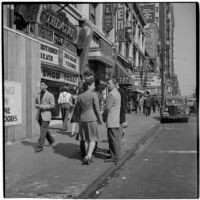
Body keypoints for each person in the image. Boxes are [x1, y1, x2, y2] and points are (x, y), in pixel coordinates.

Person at [76, 79, 103, 165]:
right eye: (93, 85)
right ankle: (88, 156)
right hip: (91, 118)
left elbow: (78, 109)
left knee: (86, 139)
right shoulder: (94, 94)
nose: (94, 87)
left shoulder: (80, 96)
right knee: (93, 138)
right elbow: (97, 108)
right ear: (89, 85)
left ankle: (87, 155)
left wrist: (78, 119)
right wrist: (100, 119)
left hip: (82, 119)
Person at [103, 77, 121, 163]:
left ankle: (115, 156)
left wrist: (103, 117)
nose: (107, 85)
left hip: (111, 119)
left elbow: (107, 108)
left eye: (109, 84)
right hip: (115, 119)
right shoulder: (117, 93)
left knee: (112, 139)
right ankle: (114, 154)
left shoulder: (111, 94)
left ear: (114, 84)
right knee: (114, 138)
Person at [35, 80, 55, 152]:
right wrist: (36, 105)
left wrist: (43, 106)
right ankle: (51, 140)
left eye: (42, 84)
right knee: (44, 130)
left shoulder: (50, 95)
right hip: (39, 115)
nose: (41, 86)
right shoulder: (37, 94)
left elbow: (53, 105)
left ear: (46, 86)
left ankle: (40, 146)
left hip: (46, 115)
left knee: (43, 130)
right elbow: (36, 103)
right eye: (40, 84)